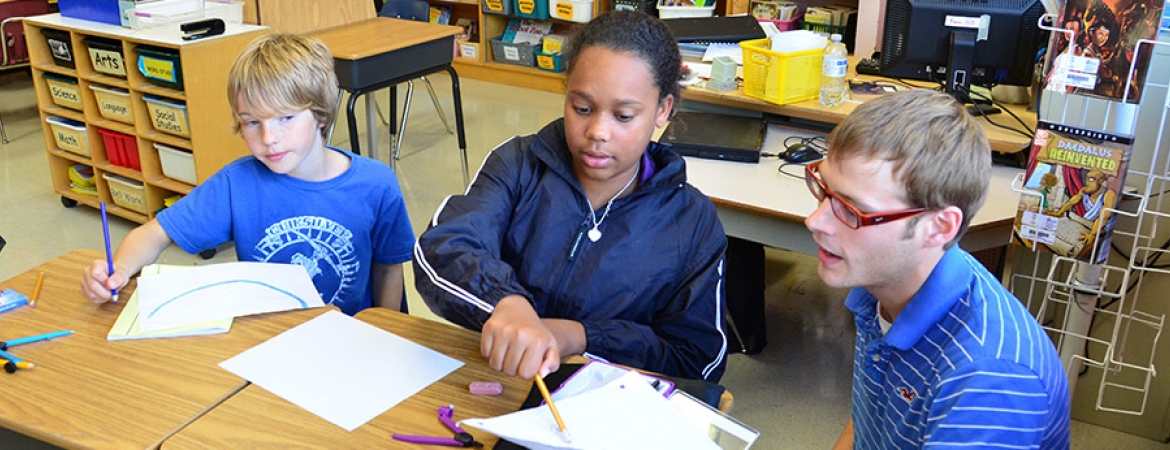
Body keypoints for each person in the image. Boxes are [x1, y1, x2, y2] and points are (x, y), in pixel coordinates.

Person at [413, 10, 727, 382]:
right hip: (496, 382)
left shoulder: (691, 222)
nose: (597, 131)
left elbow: (695, 358)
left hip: (604, 408)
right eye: (582, 108)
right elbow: (442, 248)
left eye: (623, 116)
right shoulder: (519, 164)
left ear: (662, 110)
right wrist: (508, 303)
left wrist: (577, 337)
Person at [81, 34, 415, 316]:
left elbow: (388, 270)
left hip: (349, 344)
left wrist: (382, 335)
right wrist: (119, 270)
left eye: (285, 118)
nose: (269, 138)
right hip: (267, 343)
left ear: (321, 114)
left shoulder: (376, 184)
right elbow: (153, 234)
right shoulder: (236, 184)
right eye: (252, 122)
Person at [809, 90, 1071, 449]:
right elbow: (870, 419)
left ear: (939, 227)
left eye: (851, 209)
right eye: (823, 190)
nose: (814, 221)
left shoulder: (987, 378)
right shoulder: (880, 289)